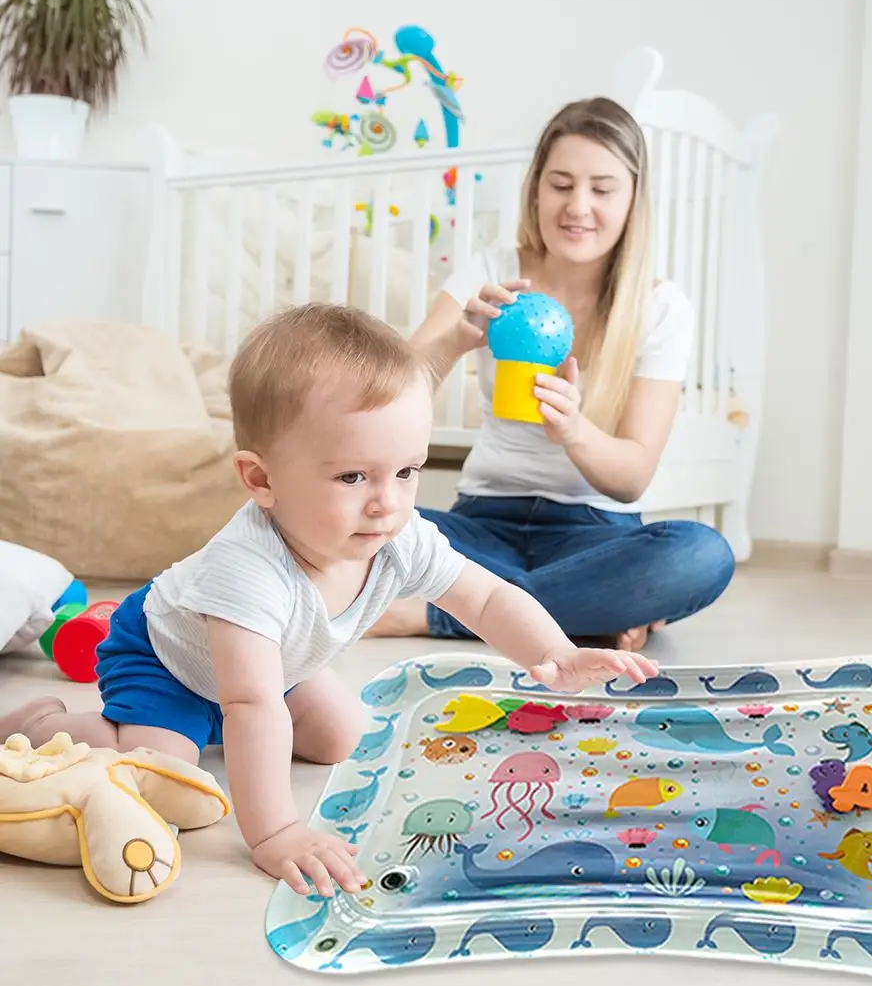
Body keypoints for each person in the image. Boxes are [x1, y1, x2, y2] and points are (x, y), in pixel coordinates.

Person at [0, 303, 657, 899]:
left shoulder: (396, 533)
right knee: (165, 773)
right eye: (353, 476)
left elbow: (484, 597)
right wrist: (276, 830)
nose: (387, 500)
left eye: (407, 470)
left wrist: (555, 651)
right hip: (166, 655)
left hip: (272, 662)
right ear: (262, 480)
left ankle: (208, 728)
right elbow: (250, 703)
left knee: (341, 735)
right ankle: (43, 722)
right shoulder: (246, 571)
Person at [366, 97, 735, 651]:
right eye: (560, 185)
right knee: (338, 518)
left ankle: (437, 613)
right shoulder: (492, 269)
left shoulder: (661, 308)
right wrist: (457, 337)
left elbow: (632, 477)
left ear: (633, 198)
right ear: (536, 188)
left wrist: (575, 431)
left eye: (602, 189)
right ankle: (581, 609)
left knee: (701, 555)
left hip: (594, 534)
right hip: (481, 525)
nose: (577, 206)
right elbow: (390, 400)